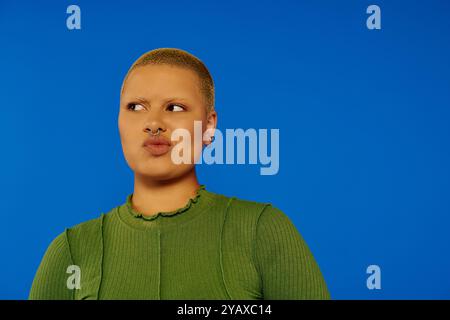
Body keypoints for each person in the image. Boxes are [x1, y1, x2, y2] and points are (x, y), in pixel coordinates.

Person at [29, 48, 330, 300]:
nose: (154, 123)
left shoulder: (261, 232)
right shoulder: (71, 251)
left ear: (209, 127)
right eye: (135, 106)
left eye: (174, 107)